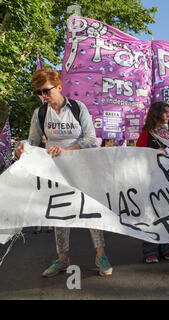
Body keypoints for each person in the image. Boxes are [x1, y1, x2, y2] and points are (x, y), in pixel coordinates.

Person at [15, 69, 112, 277]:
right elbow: (32, 140)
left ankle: (101, 255)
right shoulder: (40, 113)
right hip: (56, 172)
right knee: (59, 214)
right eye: (39, 93)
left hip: (82, 168)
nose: (44, 96)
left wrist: (67, 151)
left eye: (47, 91)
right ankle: (62, 259)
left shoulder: (78, 108)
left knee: (91, 211)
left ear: (59, 87)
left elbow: (90, 139)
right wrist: (22, 147)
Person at [136, 101, 169, 263]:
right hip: (151, 178)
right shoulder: (146, 133)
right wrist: (154, 152)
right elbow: (137, 155)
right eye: (165, 112)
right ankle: (150, 250)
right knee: (151, 215)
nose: (168, 115)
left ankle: (168, 248)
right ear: (156, 113)